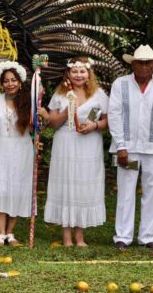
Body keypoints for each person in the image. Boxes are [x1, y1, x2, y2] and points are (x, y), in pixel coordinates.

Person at [39, 57, 109, 247]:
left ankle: (80, 237)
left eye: (82, 71)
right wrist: (68, 110)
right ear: (68, 74)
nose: (79, 75)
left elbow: (107, 120)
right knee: (66, 186)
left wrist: (94, 125)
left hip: (89, 144)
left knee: (83, 187)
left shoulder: (99, 94)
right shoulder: (61, 94)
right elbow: (51, 123)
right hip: (66, 143)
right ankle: (67, 237)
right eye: (75, 71)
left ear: (89, 74)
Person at [108, 45, 153, 250]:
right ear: (132, 64)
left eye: (147, 63)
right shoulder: (120, 84)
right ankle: (123, 237)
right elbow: (114, 115)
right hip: (129, 148)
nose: (143, 67)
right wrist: (121, 146)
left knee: (152, 191)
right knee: (126, 189)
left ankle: (147, 236)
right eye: (139, 63)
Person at [0, 61, 33, 246]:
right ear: (1, 83)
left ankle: (11, 233)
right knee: (1, 188)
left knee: (17, 188)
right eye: (6, 81)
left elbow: (36, 125)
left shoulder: (29, 100)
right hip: (0, 149)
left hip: (21, 149)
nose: (10, 84)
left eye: (14, 80)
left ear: (20, 82)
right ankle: (0, 233)